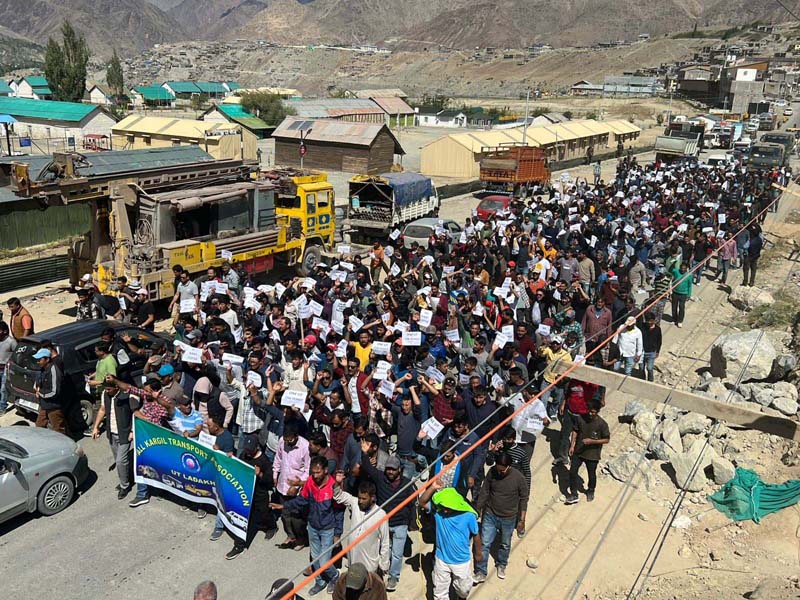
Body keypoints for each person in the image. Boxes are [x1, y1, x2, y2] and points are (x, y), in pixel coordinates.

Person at [270, 456, 340, 595]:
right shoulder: (310, 482)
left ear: (326, 470)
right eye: (313, 472)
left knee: (325, 561)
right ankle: (320, 582)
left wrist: (337, 533)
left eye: (318, 472)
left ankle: (334, 577)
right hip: (313, 527)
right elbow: (302, 500)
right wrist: (284, 506)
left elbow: (339, 512)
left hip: (327, 529)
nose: (315, 476)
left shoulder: (333, 486)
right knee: (314, 557)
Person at [357, 446, 415, 591]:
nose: (390, 471)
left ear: (399, 470)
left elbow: (414, 503)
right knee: (385, 551)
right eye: (388, 468)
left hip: (401, 524)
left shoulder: (407, 484)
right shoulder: (380, 479)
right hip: (384, 524)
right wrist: (364, 453)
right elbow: (368, 467)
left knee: (397, 554)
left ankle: (393, 576)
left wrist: (413, 522)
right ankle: (383, 572)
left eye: (393, 469)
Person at [213, 434, 278, 560]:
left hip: (260, 494)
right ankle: (239, 544)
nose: (247, 452)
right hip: (246, 493)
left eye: (250, 450)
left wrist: (260, 475)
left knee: (264, 513)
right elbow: (239, 467)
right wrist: (230, 458)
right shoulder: (243, 455)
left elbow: (269, 482)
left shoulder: (264, 461)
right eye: (246, 449)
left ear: (256, 448)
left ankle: (272, 526)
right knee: (245, 519)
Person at [418, 479, 481, 600]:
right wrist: (433, 487)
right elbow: (422, 502)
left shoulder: (469, 516)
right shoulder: (439, 513)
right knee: (439, 591)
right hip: (442, 560)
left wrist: (478, 553)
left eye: (448, 507)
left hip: (461, 561)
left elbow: (476, 534)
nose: (445, 510)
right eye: (443, 506)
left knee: (463, 589)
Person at [473, 452, 529, 583]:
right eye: (498, 469)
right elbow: (485, 490)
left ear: (509, 466)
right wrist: (478, 508)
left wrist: (522, 520)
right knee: (485, 543)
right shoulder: (492, 472)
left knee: (505, 544)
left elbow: (524, 499)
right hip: (490, 514)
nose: (500, 472)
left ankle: (502, 564)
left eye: (502, 470)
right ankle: (481, 571)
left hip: (509, 518)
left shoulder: (519, 478)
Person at [91, 376, 141, 499]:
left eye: (109, 389)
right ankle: (126, 478)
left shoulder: (128, 396)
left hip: (124, 433)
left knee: (120, 461)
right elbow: (102, 410)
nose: (107, 391)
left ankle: (124, 486)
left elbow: (136, 414)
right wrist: (96, 427)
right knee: (120, 460)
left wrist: (132, 431)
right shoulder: (105, 395)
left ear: (116, 387)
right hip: (112, 433)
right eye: (106, 389)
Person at [333, 471, 390, 576]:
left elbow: (385, 542)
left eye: (364, 499)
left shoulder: (381, 515)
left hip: (369, 566)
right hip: (353, 561)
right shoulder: (354, 503)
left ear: (372, 498)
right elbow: (338, 495)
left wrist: (384, 564)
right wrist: (337, 483)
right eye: (359, 498)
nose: (360, 501)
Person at [566, 401, 610, 504]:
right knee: (572, 471)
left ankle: (590, 490)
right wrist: (572, 445)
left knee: (591, 474)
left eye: (593, 412)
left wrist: (592, 441)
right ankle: (573, 494)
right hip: (579, 450)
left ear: (597, 412)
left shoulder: (602, 424)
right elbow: (575, 431)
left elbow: (607, 439)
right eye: (589, 411)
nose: (590, 414)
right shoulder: (581, 418)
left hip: (592, 454)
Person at [32, 348, 68, 434]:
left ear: (47, 359)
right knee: (39, 426)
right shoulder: (42, 369)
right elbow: (38, 381)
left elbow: (54, 392)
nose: (37, 362)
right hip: (44, 405)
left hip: (53, 406)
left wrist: (40, 393)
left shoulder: (54, 370)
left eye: (40, 360)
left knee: (58, 429)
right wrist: (36, 386)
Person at [0, 322, 18, 414]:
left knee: (3, 389)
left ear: (5, 331)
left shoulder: (11, 342)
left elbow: (17, 355)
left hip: (6, 369)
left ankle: (2, 407)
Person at [640, 312, 662, 382]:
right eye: (648, 321)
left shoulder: (657, 329)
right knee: (641, 368)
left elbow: (659, 341)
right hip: (642, 351)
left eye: (651, 321)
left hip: (652, 352)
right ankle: (642, 380)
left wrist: (657, 351)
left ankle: (650, 381)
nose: (650, 323)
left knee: (649, 368)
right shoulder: (642, 327)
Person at [670, 262, 692, 328]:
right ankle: (674, 319)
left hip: (683, 294)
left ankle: (680, 321)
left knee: (681, 307)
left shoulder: (689, 275)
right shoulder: (676, 272)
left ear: (686, 269)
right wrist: (673, 262)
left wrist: (689, 295)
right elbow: (670, 270)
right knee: (674, 307)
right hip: (675, 292)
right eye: (681, 268)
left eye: (684, 269)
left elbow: (690, 286)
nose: (682, 270)